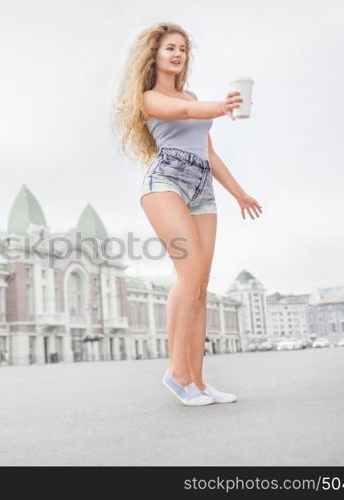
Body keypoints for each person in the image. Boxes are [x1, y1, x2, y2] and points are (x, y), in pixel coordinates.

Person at [112, 22, 263, 406]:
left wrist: (240, 193)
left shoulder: (191, 93)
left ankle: (197, 380)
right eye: (169, 48)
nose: (177, 54)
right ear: (154, 55)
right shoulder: (147, 98)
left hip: (202, 190)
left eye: (182, 49)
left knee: (199, 287)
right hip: (165, 184)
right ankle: (176, 373)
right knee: (189, 273)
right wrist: (223, 106)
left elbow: (209, 153)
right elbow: (184, 110)